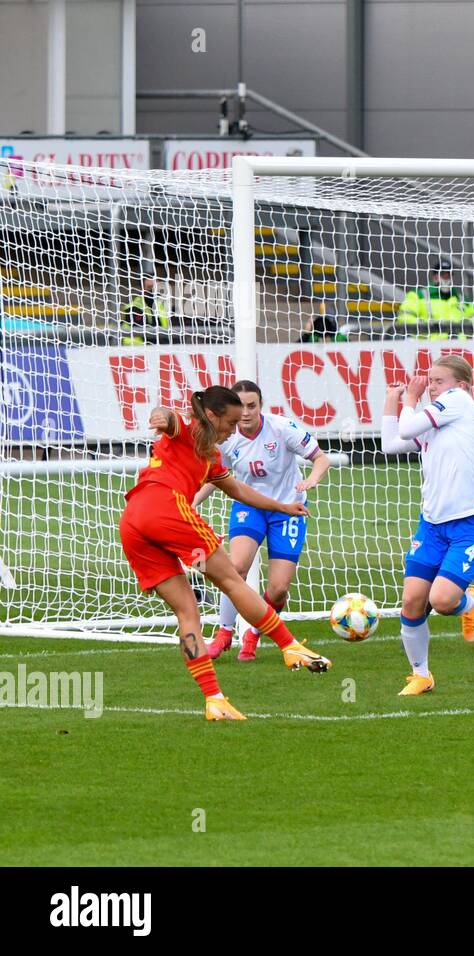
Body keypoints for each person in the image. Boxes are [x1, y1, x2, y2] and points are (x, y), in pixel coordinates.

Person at [117, 387, 331, 721]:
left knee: (188, 612)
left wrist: (281, 506)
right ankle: (289, 645)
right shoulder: (186, 429)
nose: (233, 429)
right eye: (230, 422)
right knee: (232, 579)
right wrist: (161, 415)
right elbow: (168, 417)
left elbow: (241, 491)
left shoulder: (213, 457)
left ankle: (214, 699)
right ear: (212, 415)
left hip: (135, 526)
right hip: (166, 512)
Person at [380, 355, 474, 695]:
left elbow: (405, 427)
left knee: (442, 601)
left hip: (470, 523)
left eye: (438, 381)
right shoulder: (435, 420)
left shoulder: (458, 402)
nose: (430, 385)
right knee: (413, 601)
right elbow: (390, 443)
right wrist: (392, 399)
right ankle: (422, 675)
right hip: (431, 524)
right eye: (429, 380)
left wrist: (410, 400)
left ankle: (468, 604)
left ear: (461, 386)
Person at [196, 380, 332, 661]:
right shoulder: (227, 436)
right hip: (250, 508)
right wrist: (193, 500)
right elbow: (217, 477)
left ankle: (254, 633)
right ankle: (224, 633)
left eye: (252, 405)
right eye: (241, 406)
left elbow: (321, 458)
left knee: (279, 589)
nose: (246, 412)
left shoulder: (281, 429)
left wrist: (311, 479)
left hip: (288, 510)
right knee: (236, 567)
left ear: (261, 405)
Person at [397, 258, 474, 335]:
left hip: (458, 348)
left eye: (448, 275)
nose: (446, 278)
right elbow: (404, 317)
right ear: (435, 277)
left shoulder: (460, 298)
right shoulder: (419, 295)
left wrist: (464, 326)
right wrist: (425, 326)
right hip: (430, 347)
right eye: (443, 275)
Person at [119, 276, 171, 345]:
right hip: (135, 350)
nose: (153, 290)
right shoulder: (134, 308)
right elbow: (147, 334)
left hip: (157, 348)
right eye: (150, 287)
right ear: (142, 289)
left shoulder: (160, 306)